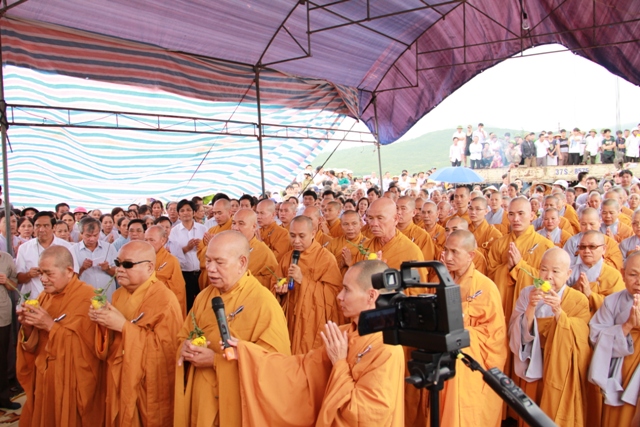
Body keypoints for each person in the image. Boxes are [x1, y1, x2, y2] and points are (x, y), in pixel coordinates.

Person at [230, 260, 404, 426]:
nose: (339, 296)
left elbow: (366, 416)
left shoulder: (387, 347)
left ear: (371, 296)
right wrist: (248, 354)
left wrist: (339, 362)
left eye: (347, 290)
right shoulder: (342, 334)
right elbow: (302, 371)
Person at [174, 231, 290, 427]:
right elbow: (184, 335)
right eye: (208, 260)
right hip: (202, 399)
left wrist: (216, 361)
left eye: (219, 262)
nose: (210, 268)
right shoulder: (204, 297)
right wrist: (185, 347)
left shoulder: (263, 302)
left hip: (237, 403)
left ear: (242, 263)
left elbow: (275, 365)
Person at [406, 230, 507, 427]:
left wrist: (459, 328)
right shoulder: (438, 280)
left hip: (466, 362)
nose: (448, 257)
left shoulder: (485, 287)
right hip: (440, 357)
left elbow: (494, 336)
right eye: (446, 250)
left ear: (471, 255)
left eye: (454, 252)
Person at [90, 240, 182, 427]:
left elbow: (166, 351)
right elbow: (113, 342)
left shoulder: (164, 299)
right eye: (117, 263)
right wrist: (103, 321)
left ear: (149, 267)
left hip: (147, 384)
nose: (120, 269)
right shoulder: (118, 295)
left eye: (128, 264)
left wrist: (123, 326)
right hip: (120, 375)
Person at [17, 246, 104, 426]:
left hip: (71, 380)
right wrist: (28, 327)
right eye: (41, 273)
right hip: (45, 376)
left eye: (48, 273)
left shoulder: (87, 298)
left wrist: (50, 326)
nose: (42, 279)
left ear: (69, 271)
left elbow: (89, 350)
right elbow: (34, 344)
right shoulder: (44, 297)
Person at [509, 248, 591, 427]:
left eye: (555, 271)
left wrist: (559, 313)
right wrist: (531, 307)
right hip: (532, 361)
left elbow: (581, 339)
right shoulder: (527, 293)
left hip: (558, 366)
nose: (548, 276)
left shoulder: (578, 300)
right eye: (544, 269)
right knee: (531, 412)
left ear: (568, 274)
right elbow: (515, 330)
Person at [273, 216, 342, 354]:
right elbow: (275, 283)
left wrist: (302, 280)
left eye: (301, 236)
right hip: (290, 317)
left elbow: (333, 294)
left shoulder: (326, 258)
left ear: (313, 233)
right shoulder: (287, 258)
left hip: (312, 319)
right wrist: (279, 291)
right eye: (292, 235)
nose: (296, 241)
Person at [588, 251, 640, 426]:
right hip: (619, 375)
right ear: (623, 274)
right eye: (633, 275)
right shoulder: (612, 301)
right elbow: (595, 337)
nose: (638, 281)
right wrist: (627, 326)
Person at [487, 197, 555, 329]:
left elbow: (549, 281)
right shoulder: (499, 244)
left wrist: (519, 266)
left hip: (531, 307)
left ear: (532, 216)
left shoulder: (546, 246)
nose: (516, 219)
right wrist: (507, 268)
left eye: (521, 213)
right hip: (503, 304)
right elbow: (490, 277)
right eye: (511, 214)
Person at [354, 198, 426, 280]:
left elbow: (419, 286)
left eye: (380, 218)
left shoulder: (412, 252)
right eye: (370, 218)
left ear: (395, 219)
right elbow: (354, 282)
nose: (374, 224)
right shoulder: (364, 247)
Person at [16, 212, 77, 299]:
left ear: (54, 227)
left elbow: (74, 274)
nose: (41, 229)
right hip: (32, 299)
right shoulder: (24, 248)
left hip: (59, 298)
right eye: (37, 226)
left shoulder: (66, 247)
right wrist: (29, 274)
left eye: (46, 226)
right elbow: (18, 278)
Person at [567, 230, 625, 314]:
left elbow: (618, 307)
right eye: (582, 247)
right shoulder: (568, 272)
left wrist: (590, 294)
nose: (586, 251)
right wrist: (575, 289)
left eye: (592, 246)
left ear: (604, 249)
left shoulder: (613, 275)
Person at [169, 199, 206, 312]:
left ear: (194, 212)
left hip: (201, 272)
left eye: (189, 210)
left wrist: (202, 246)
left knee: (203, 302)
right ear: (178, 214)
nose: (186, 213)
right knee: (188, 303)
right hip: (184, 273)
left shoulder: (203, 229)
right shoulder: (174, 231)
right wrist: (186, 248)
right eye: (182, 210)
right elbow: (173, 254)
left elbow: (210, 248)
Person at [71, 217, 118, 301]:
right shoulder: (73, 250)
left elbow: (119, 272)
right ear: (81, 233)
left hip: (108, 296)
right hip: (85, 298)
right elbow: (70, 278)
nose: (92, 239)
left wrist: (108, 268)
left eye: (95, 235)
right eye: (88, 235)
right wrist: (82, 268)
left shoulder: (109, 247)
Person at [145, 225, 187, 317]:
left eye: (151, 240)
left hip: (166, 304)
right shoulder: (142, 258)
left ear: (163, 241)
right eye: (146, 240)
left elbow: (178, 288)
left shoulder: (171, 260)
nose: (148, 243)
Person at [231, 209, 278, 289]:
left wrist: (243, 280)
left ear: (254, 227)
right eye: (234, 223)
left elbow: (274, 279)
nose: (235, 228)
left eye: (241, 224)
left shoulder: (263, 251)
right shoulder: (227, 246)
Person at [198, 198, 233, 290]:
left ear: (229, 212)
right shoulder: (211, 230)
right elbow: (200, 255)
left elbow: (231, 255)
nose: (216, 216)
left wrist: (212, 245)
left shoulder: (234, 230)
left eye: (219, 213)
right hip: (208, 275)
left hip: (223, 276)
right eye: (214, 213)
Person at [0, 248, 18, 410]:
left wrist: (6, 281)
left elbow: (14, 285)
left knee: (2, 358)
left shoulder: (6, 258)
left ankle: (3, 397)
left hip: (2, 314)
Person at [326, 210, 365, 276]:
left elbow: (368, 273)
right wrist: (340, 264)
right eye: (346, 224)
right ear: (340, 225)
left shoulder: (367, 244)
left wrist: (350, 263)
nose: (350, 228)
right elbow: (324, 268)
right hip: (334, 280)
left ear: (360, 224)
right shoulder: (333, 243)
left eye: (354, 223)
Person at [396, 196, 436, 261]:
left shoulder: (423, 236)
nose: (398, 212)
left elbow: (426, 263)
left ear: (414, 212)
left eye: (403, 209)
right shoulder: (388, 232)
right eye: (396, 208)